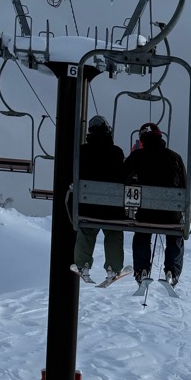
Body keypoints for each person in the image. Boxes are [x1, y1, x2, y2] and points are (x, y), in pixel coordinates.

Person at [124, 123, 189, 285]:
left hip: (146, 213)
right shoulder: (175, 157)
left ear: (142, 139)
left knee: (142, 233)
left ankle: (142, 269)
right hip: (171, 214)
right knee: (175, 235)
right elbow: (184, 187)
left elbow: (122, 178)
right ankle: (172, 271)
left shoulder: (137, 156)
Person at [72, 115, 126, 282]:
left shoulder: (82, 151)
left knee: (86, 231)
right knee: (114, 232)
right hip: (112, 209)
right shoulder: (116, 153)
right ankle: (113, 268)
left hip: (88, 206)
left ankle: (83, 264)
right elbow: (123, 175)